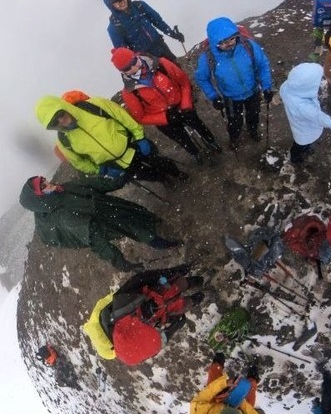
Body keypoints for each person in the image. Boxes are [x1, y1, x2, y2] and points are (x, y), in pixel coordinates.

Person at [19, 175, 180, 271]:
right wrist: (119, 261)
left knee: (140, 213)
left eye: (44, 180)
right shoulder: (63, 217)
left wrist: (119, 181)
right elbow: (94, 238)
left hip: (111, 206)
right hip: (109, 222)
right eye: (43, 186)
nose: (48, 183)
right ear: (39, 197)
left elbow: (93, 185)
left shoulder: (63, 188)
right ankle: (168, 244)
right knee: (139, 229)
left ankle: (161, 227)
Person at [35, 94, 186, 186]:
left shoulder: (94, 105)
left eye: (60, 114)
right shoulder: (63, 141)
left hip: (133, 145)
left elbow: (123, 117)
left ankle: (177, 173)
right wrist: (100, 170)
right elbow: (78, 162)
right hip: (116, 164)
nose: (61, 121)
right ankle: (163, 179)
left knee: (159, 161)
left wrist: (140, 137)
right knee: (145, 175)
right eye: (54, 122)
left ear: (63, 106)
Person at [111, 47, 218, 165]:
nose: (133, 68)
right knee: (182, 139)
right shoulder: (129, 93)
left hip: (182, 106)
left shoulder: (161, 64)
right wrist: (165, 117)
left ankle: (211, 141)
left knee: (198, 125)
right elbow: (140, 117)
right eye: (127, 68)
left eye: (133, 62)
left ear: (136, 56)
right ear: (122, 72)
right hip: (165, 121)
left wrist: (185, 104)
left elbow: (184, 83)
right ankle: (195, 152)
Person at [84, 265, 204, 365]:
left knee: (180, 287)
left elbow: (140, 279)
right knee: (182, 293)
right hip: (160, 304)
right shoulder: (134, 344)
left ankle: (196, 283)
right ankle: (197, 287)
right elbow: (158, 336)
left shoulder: (121, 306)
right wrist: (173, 325)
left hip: (157, 293)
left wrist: (172, 272)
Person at [194, 17, 274, 150]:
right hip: (230, 98)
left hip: (253, 91)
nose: (230, 44)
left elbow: (262, 65)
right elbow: (202, 78)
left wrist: (267, 87)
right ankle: (234, 138)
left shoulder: (248, 46)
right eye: (223, 42)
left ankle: (252, 131)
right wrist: (213, 96)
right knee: (234, 122)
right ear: (215, 42)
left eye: (232, 39)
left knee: (254, 115)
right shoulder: (208, 58)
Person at [102, 0, 184, 63]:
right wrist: (134, 64)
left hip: (160, 47)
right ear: (111, 6)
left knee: (175, 68)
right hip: (145, 59)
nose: (120, 2)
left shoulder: (140, 6)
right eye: (115, 1)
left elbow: (158, 21)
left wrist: (173, 34)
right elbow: (123, 51)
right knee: (163, 74)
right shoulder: (114, 27)